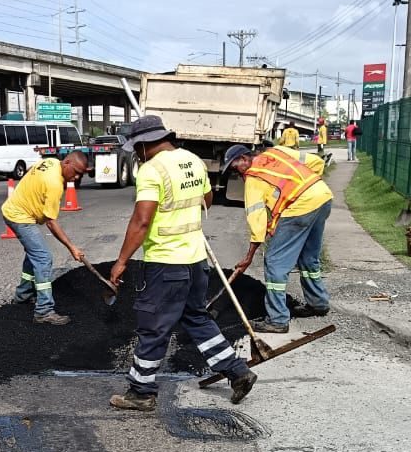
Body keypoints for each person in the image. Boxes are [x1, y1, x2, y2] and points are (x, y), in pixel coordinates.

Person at [108, 115, 256, 411]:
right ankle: (237, 372)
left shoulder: (152, 170)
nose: (136, 155)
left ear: (144, 145)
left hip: (165, 264)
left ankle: (141, 392)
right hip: (196, 261)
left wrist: (121, 261)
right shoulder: (192, 160)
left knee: (154, 327)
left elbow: (142, 220)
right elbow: (207, 198)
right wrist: (185, 220)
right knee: (196, 318)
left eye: (136, 149)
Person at [222, 142, 333, 333]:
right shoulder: (277, 152)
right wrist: (308, 187)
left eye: (235, 167)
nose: (237, 174)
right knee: (308, 258)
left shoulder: (253, 178)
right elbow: (316, 162)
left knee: (274, 262)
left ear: (244, 158)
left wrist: (249, 257)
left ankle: (278, 319)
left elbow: (257, 222)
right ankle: (318, 303)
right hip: (322, 196)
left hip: (299, 208)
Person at [1, 152, 89, 325]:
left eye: (81, 174)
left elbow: (30, 172)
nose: (77, 177)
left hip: (14, 209)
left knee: (34, 253)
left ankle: (23, 295)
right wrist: (72, 247)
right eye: (76, 171)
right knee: (43, 258)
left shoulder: (51, 161)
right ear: (67, 162)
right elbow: (51, 223)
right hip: (19, 217)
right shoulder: (54, 184)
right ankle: (44, 311)